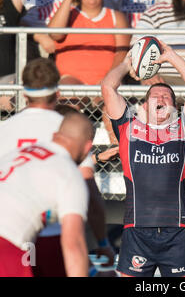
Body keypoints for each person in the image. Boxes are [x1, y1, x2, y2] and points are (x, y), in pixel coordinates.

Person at [0, 57, 115, 277]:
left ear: (23, 94)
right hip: (42, 235)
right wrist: (102, 242)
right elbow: (88, 187)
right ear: (58, 93)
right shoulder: (67, 130)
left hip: (17, 230)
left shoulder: (6, 129)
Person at [101, 40, 185, 277]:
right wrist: (127, 63)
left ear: (175, 106)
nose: (160, 98)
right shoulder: (129, 128)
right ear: (145, 106)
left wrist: (171, 56)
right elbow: (108, 87)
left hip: (176, 231)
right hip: (136, 230)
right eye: (155, 95)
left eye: (166, 96)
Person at [0, 112, 94, 277]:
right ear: (87, 147)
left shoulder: (18, 153)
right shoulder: (68, 172)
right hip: (5, 243)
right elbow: (74, 245)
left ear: (54, 136)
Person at [48, 0, 131, 86]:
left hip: (106, 79)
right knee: (69, 94)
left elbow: (121, 52)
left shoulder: (117, 17)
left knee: (110, 92)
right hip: (70, 80)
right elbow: (54, 34)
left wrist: (109, 78)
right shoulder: (67, 15)